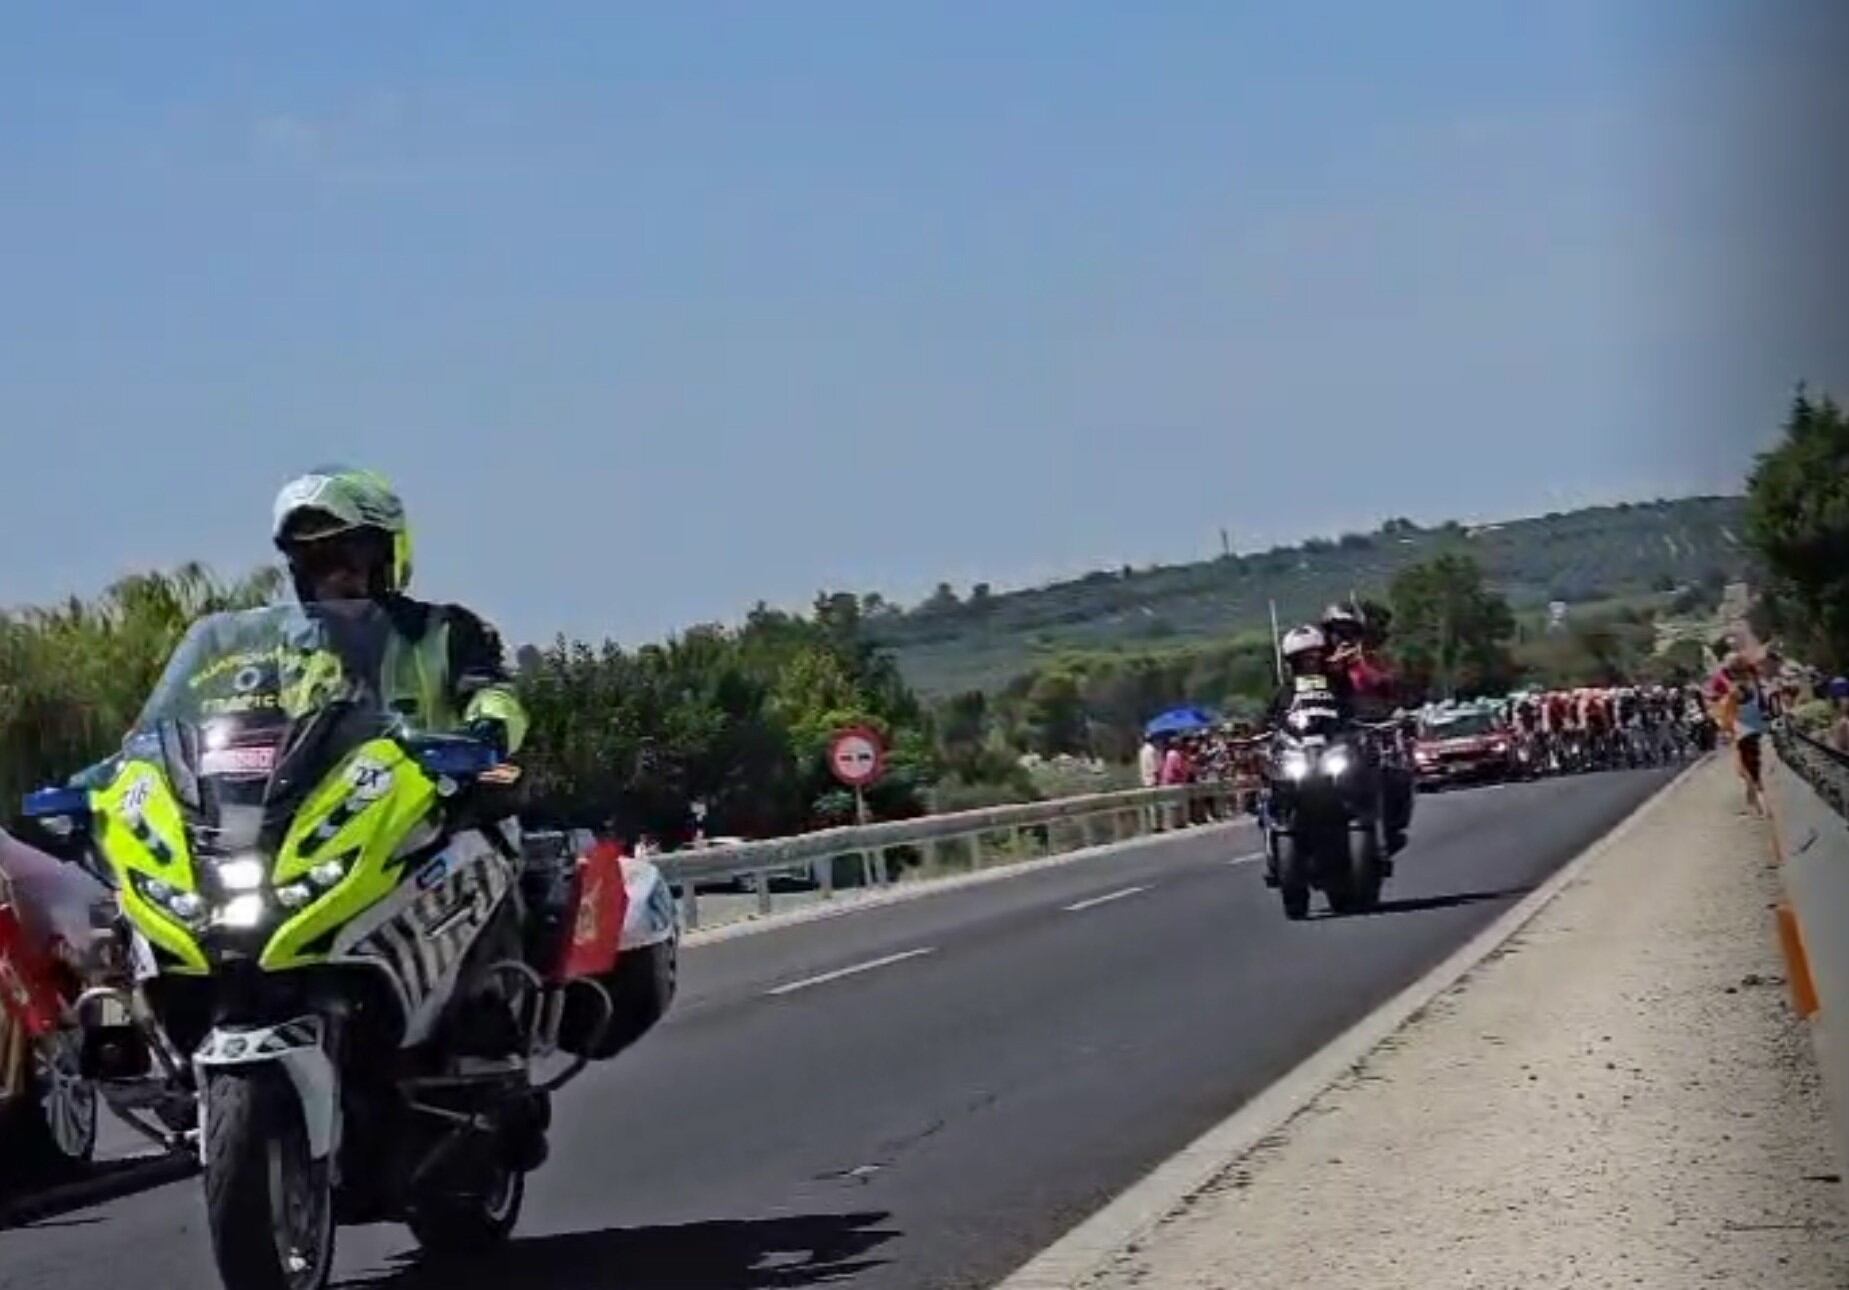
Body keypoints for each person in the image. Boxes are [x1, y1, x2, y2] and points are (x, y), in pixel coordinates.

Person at [271, 465, 529, 756]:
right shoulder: (286, 654)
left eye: (346, 555)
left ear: (386, 554)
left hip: (430, 780)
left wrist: (490, 726)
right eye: (312, 561)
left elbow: (491, 691)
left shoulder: (445, 631)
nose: (332, 576)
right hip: (310, 786)